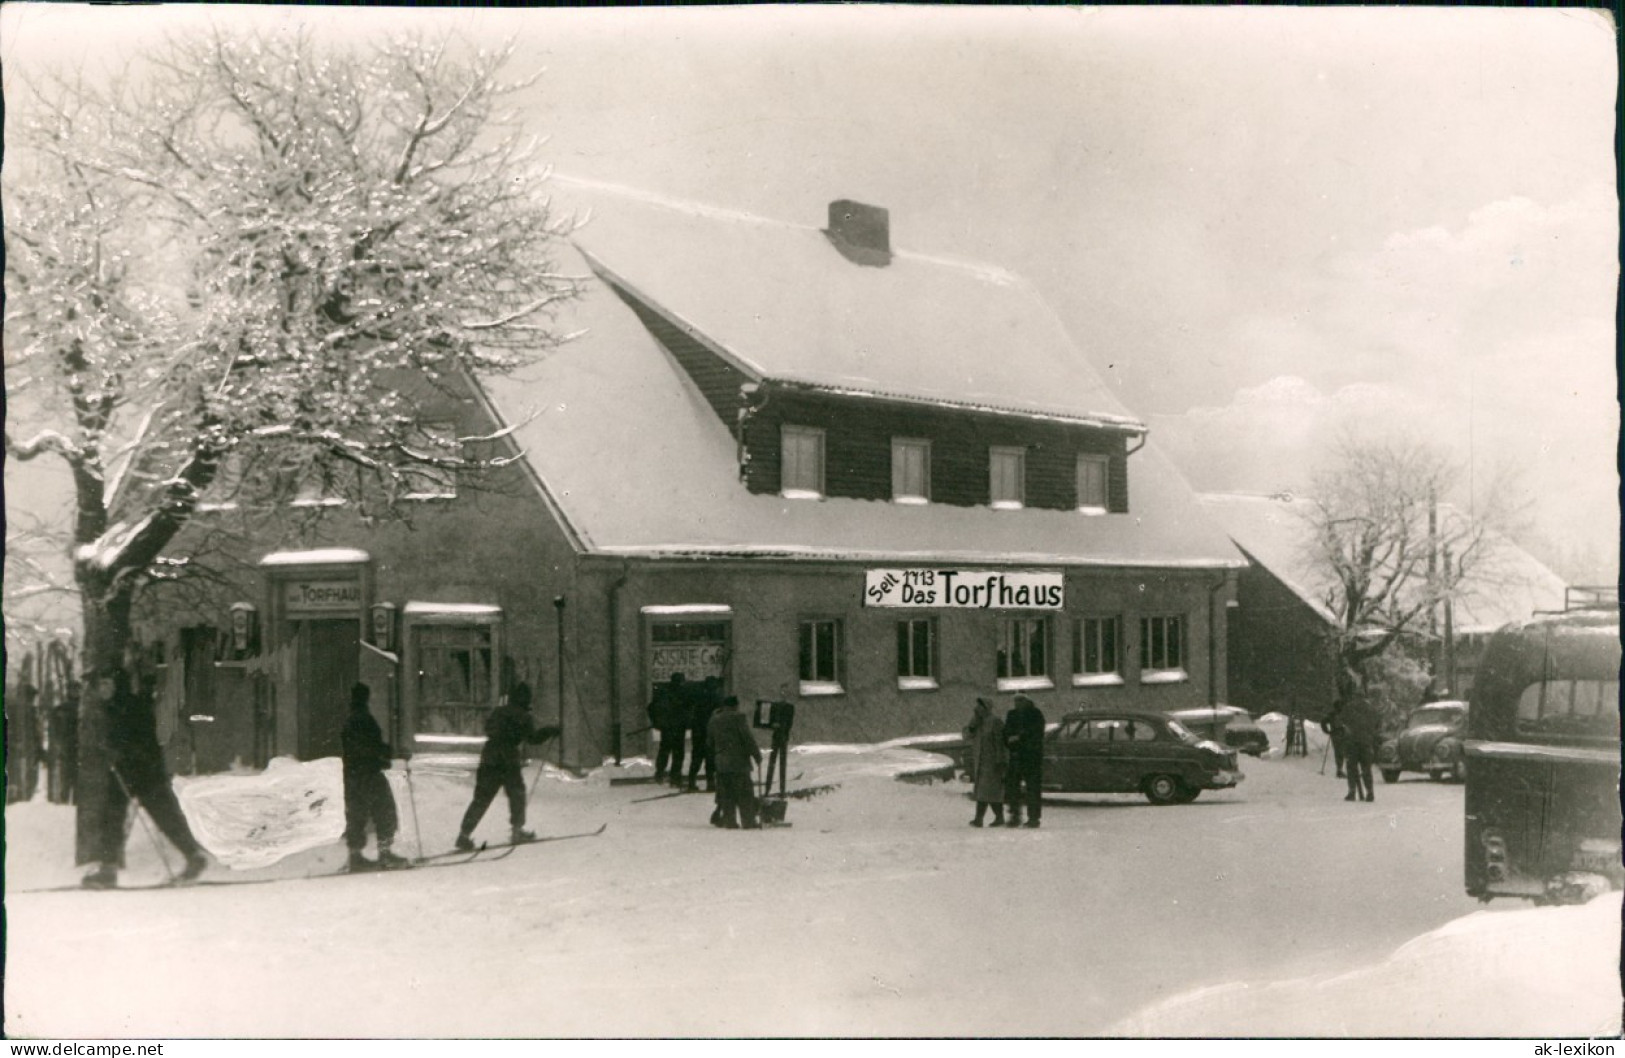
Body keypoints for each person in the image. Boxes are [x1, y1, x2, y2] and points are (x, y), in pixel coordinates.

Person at [82, 667, 209, 888]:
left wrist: (122, 751)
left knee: (165, 816)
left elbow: (145, 740)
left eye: (107, 684)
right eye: (100, 685)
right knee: (111, 818)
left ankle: (194, 856)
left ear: (116, 685)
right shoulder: (109, 708)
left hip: (145, 772)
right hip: (124, 771)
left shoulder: (133, 705)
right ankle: (108, 868)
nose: (103, 689)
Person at [454, 682, 561, 851]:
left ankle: (464, 835)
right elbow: (533, 739)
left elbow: (488, 728)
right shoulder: (524, 716)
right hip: (508, 758)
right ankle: (517, 831)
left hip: (489, 756)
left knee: (482, 798)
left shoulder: (499, 711)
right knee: (516, 793)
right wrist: (550, 731)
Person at [342, 682, 409, 872]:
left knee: (357, 815)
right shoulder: (363, 719)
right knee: (385, 811)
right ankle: (385, 854)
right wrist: (388, 754)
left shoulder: (351, 719)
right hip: (369, 773)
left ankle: (355, 856)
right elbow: (371, 747)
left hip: (353, 775)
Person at [706, 695, 761, 829]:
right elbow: (747, 738)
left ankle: (730, 821)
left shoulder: (714, 720)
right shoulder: (738, 718)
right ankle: (748, 822)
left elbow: (710, 742)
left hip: (722, 763)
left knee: (727, 794)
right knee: (745, 793)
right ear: (735, 705)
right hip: (738, 762)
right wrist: (756, 755)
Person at [1002, 694, 1046, 828]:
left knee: (1032, 787)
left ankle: (1033, 817)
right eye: (1015, 700)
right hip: (1016, 755)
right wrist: (1009, 740)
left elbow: (1037, 733)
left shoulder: (1035, 714)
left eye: (1020, 700)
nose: (1017, 703)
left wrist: (1019, 737)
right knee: (1012, 787)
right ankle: (1015, 815)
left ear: (1027, 701)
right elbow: (1006, 732)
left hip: (1031, 756)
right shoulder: (1012, 714)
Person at [963, 698, 1007, 827]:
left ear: (986, 708)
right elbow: (966, 737)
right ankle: (994, 818)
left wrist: (1001, 761)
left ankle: (982, 818)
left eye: (980, 707)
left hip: (992, 762)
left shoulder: (995, 722)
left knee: (988, 791)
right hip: (980, 762)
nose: (977, 710)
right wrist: (972, 726)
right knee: (986, 791)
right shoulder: (977, 722)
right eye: (977, 708)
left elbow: (1000, 743)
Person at [648, 672, 690, 787]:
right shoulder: (681, 694)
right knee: (677, 753)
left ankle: (660, 774)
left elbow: (651, 708)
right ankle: (674, 777)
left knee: (665, 751)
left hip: (668, 728)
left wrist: (656, 722)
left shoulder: (664, 692)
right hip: (676, 727)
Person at [1340, 696, 1381, 803]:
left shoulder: (1349, 707)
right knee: (1366, 768)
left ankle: (1352, 792)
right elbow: (1378, 724)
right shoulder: (1371, 709)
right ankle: (1370, 792)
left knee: (1351, 767)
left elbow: (1342, 721)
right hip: (1366, 742)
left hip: (1352, 742)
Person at [685, 675, 722, 793]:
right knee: (710, 759)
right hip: (710, 732)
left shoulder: (699, 698)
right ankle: (710, 783)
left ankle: (691, 782)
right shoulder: (717, 699)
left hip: (698, 732)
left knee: (696, 757)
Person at [1321, 699, 1347, 778]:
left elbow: (1323, 722)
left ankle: (1339, 769)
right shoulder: (1343, 714)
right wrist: (1327, 731)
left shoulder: (1331, 714)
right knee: (1341, 752)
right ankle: (1340, 770)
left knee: (1339, 752)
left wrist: (1327, 731)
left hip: (1336, 734)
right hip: (1341, 734)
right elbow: (1323, 722)